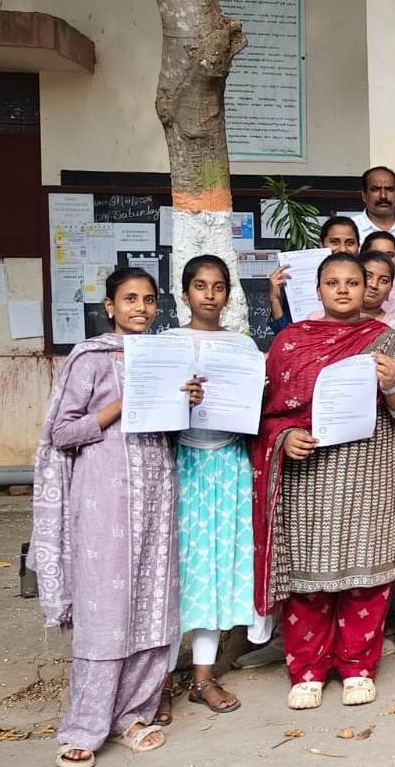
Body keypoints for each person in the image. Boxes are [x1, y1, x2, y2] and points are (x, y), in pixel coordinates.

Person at [32, 267, 201, 765]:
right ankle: (85, 725)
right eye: (129, 299)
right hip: (103, 497)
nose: (140, 308)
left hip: (156, 491)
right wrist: (120, 407)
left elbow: (174, 427)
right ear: (109, 306)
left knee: (151, 604)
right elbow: (62, 433)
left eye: (149, 300)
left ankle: (132, 715)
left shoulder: (166, 356)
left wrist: (188, 401)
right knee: (105, 609)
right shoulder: (91, 358)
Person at [252, 253, 395, 710]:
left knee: (365, 574)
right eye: (333, 282)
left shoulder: (388, 341)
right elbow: (266, 414)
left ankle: (357, 666)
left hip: (369, 471)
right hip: (309, 476)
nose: (343, 290)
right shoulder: (290, 342)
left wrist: (390, 385)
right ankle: (306, 669)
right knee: (309, 578)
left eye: (352, 282)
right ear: (318, 289)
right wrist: (284, 438)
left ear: (368, 287)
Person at [161, 256, 257, 718]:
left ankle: (202, 676)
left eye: (218, 287)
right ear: (185, 293)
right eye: (200, 286)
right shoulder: (166, 344)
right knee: (173, 572)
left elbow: (256, 406)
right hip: (181, 464)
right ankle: (155, 683)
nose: (209, 295)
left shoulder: (242, 346)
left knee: (215, 568)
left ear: (228, 294)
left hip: (228, 464)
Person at [267, 216, 361, 330]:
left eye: (350, 243)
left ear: (358, 247)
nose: (342, 249)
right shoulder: (296, 279)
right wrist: (275, 299)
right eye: (334, 242)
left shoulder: (366, 280)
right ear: (321, 245)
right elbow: (284, 335)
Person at [359, 250, 395, 337]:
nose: (374, 285)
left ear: (391, 288)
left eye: (384, 280)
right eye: (368, 276)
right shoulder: (334, 322)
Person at [351, 165, 395, 239]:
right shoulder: (349, 230)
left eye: (389, 189)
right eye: (376, 189)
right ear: (364, 196)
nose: (383, 196)